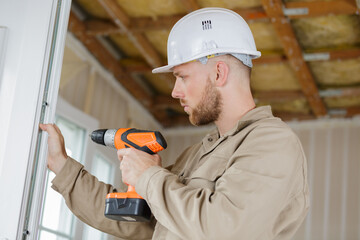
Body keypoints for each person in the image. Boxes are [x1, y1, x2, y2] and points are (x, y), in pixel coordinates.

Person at [40, 7, 309, 240]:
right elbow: (136, 219)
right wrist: (62, 166)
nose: (175, 91)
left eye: (182, 77)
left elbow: (224, 228)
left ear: (218, 72)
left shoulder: (272, 142)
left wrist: (148, 175)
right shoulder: (196, 155)